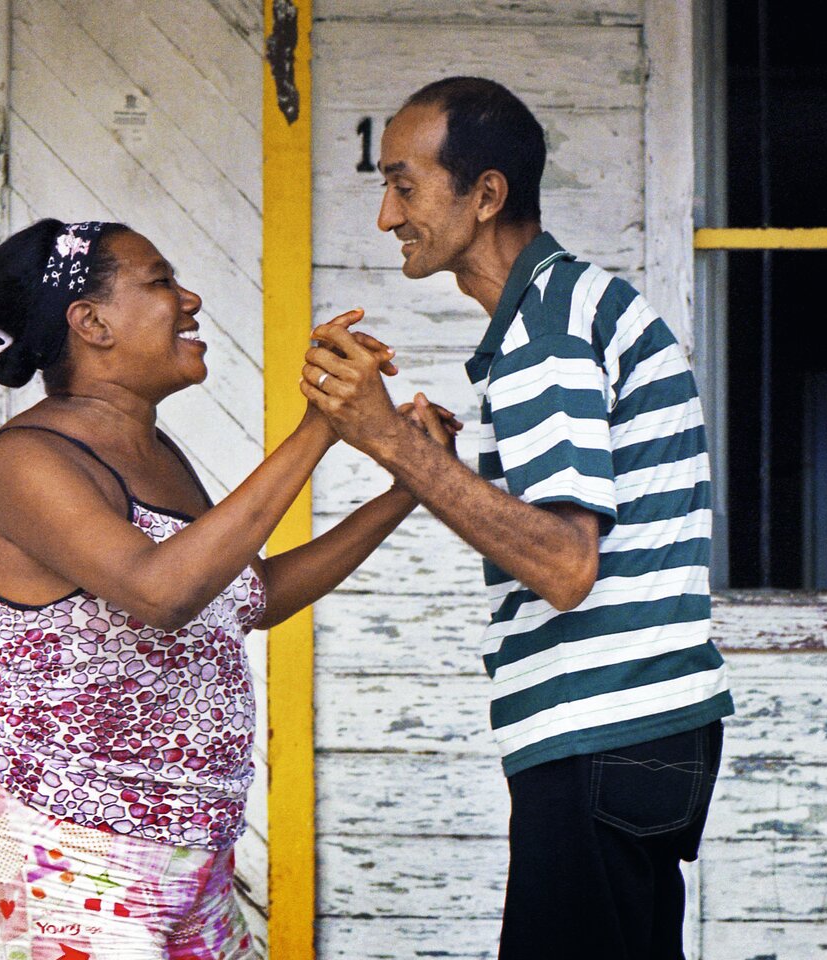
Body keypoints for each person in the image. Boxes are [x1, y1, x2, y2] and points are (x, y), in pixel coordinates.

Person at [0, 218, 456, 960]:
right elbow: (162, 592)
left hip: (191, 855)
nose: (190, 298)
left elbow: (250, 593)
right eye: (162, 281)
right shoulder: (24, 464)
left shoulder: (151, 449)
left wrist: (406, 488)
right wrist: (319, 427)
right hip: (64, 853)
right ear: (92, 322)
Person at [300, 77, 734, 959]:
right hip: (646, 730)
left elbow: (566, 566)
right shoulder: (569, 307)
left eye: (404, 184)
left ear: (486, 193)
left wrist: (392, 442)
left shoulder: (544, 329)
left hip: (601, 726)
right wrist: (432, 468)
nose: (387, 216)